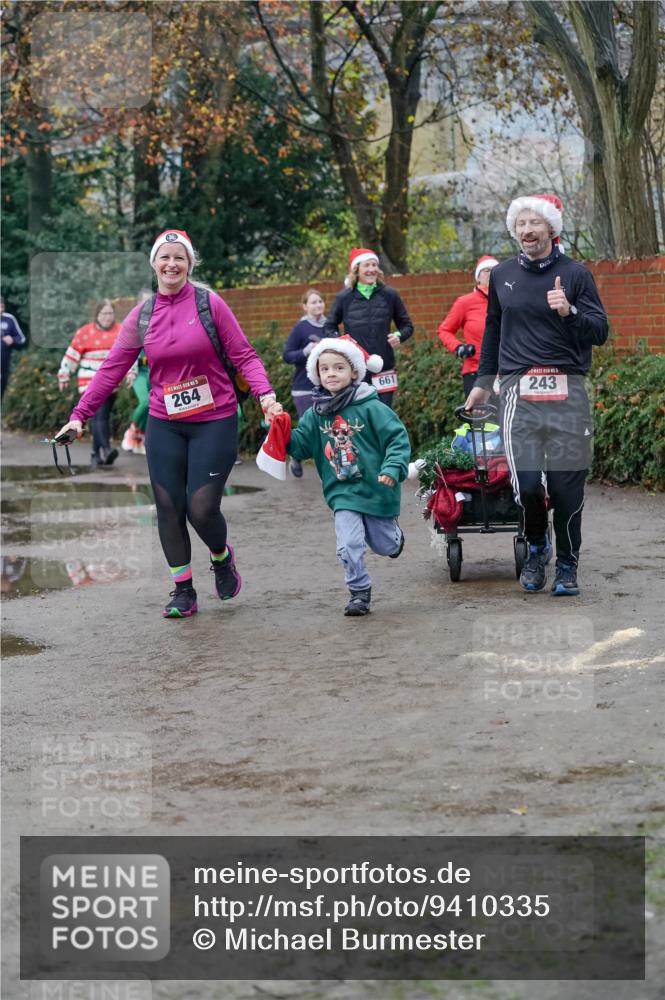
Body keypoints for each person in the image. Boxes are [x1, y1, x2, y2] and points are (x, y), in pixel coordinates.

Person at [55, 228, 283, 619]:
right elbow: (111, 369)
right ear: (154, 264)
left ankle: (221, 557)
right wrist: (79, 416)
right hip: (165, 421)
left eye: (179, 257)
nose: (172, 264)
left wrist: (265, 395)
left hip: (215, 418)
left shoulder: (210, 304)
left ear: (189, 263)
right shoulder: (142, 316)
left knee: (202, 507)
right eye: (165, 257)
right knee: (168, 506)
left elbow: (244, 355)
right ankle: (182, 590)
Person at [465, 193, 609, 597]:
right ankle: (536, 546)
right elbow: (492, 331)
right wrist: (481, 382)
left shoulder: (576, 275)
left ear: (551, 229)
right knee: (527, 485)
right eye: (521, 225)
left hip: (569, 396)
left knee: (566, 491)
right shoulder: (502, 276)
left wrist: (570, 312)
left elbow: (600, 331)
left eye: (535, 223)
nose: (527, 231)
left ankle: (566, 565)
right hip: (517, 396)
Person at [257, 335, 410, 616]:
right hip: (341, 492)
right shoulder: (316, 414)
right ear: (316, 373)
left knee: (384, 545)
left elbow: (397, 439)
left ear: (354, 372)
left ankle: (395, 538)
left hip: (376, 490)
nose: (331, 373)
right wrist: (280, 426)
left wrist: (392, 468)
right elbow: (300, 446)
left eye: (338, 367)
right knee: (349, 545)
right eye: (324, 368)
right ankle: (359, 592)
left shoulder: (372, 407)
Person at [323, 248, 413, 409]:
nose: (371, 269)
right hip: (355, 367)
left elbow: (407, 326)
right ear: (357, 270)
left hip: (385, 367)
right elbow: (329, 326)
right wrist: (340, 342)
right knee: (360, 412)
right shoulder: (344, 297)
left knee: (383, 413)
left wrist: (399, 335)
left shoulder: (389, 294)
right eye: (367, 265)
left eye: (374, 265)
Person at [58, 299, 124, 466]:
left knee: (101, 417)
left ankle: (95, 454)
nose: (107, 317)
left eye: (110, 313)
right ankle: (107, 449)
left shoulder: (121, 331)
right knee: (100, 416)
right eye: (104, 314)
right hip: (89, 381)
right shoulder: (85, 332)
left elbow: (128, 354)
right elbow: (71, 355)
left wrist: (131, 372)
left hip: (112, 382)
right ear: (97, 315)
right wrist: (64, 374)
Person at [437, 255, 499, 398]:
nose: (490, 273)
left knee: (506, 418)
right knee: (479, 419)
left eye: (494, 270)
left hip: (505, 371)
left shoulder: (507, 300)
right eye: (486, 270)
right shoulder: (465, 302)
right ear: (478, 278)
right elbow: (444, 330)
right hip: (475, 370)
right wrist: (458, 347)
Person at [282, 288, 326, 477]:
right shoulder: (300, 328)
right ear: (305, 306)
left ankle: (329, 467)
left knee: (326, 426)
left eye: (320, 301)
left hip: (327, 386)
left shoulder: (329, 327)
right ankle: (296, 455)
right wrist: (306, 351)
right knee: (310, 428)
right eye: (313, 302)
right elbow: (287, 355)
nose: (318, 305)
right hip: (303, 387)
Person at [121, 289, 153, 455]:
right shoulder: (133, 324)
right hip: (139, 372)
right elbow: (129, 351)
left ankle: (142, 436)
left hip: (155, 372)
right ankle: (132, 429)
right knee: (146, 402)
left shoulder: (159, 320)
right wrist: (131, 372)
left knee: (155, 406)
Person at [1, 297, 26, 399]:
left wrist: (12, 340)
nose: (1, 305)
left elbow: (22, 339)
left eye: (2, 303)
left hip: (3, 367)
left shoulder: (9, 319)